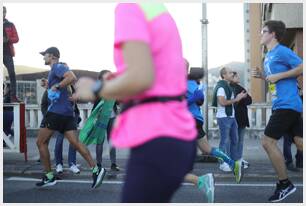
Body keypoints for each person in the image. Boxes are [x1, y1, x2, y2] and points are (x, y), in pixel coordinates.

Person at [74, 3, 197, 203]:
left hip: (157, 136)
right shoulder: (156, 9)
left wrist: (96, 88)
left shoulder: (130, 6)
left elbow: (140, 77)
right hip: (176, 133)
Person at [36, 47, 105, 188]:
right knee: (76, 143)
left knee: (40, 143)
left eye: (45, 55)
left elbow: (72, 77)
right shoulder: (55, 71)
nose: (44, 58)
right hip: (67, 114)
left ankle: (49, 176)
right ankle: (97, 170)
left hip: (56, 113)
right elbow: (60, 92)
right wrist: (49, 86)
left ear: (53, 56)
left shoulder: (57, 66)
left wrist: (57, 85)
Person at [252, 20, 303, 202]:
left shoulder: (281, 51)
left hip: (286, 104)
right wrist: (264, 77)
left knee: (267, 142)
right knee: (300, 143)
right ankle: (284, 184)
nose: (261, 34)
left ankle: (284, 184)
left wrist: (279, 75)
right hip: (286, 104)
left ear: (273, 34)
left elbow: (302, 66)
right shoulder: (269, 56)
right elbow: (274, 81)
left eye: (263, 31)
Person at [183, 60, 243, 202]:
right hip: (195, 120)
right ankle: (233, 164)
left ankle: (202, 181)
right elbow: (199, 99)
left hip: (187, 121)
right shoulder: (190, 82)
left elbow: (193, 100)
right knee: (207, 149)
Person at [212, 67, 247, 172]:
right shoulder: (221, 87)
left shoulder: (227, 86)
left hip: (231, 117)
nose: (232, 74)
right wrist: (237, 98)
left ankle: (233, 162)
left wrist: (238, 98)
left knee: (235, 140)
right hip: (224, 118)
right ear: (224, 75)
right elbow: (222, 102)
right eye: (230, 73)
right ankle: (222, 164)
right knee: (224, 141)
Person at [94, 70, 120, 172]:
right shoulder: (97, 88)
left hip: (112, 116)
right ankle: (99, 164)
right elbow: (95, 102)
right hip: (101, 117)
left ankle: (113, 163)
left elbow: (117, 102)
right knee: (100, 141)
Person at [230, 71, 252, 168]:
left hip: (231, 117)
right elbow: (249, 100)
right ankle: (238, 160)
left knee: (233, 140)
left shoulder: (227, 88)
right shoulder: (239, 88)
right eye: (236, 76)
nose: (238, 77)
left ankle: (235, 159)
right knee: (239, 140)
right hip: (240, 117)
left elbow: (248, 100)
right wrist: (244, 97)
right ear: (232, 77)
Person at [3, 6, 20, 102]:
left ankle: (13, 96)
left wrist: (8, 39)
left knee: (12, 74)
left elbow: (17, 38)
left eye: (3, 12)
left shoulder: (10, 24)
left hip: (7, 53)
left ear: (5, 13)